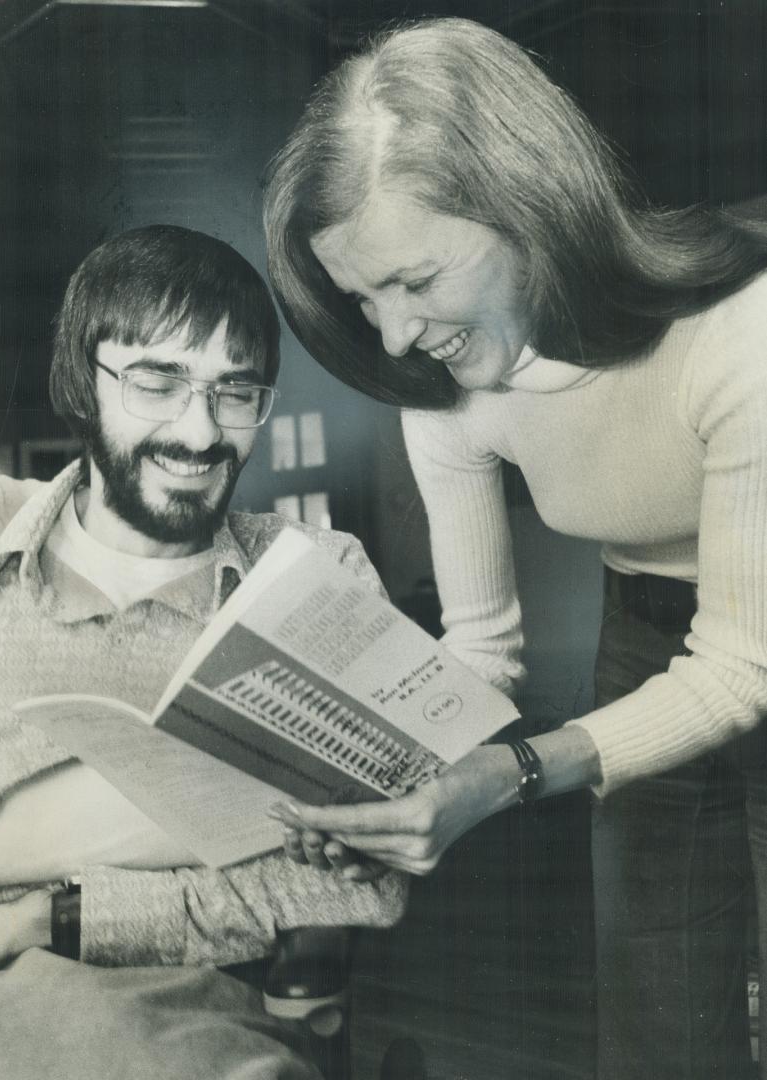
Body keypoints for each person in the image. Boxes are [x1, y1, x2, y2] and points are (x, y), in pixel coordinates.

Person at [262, 17, 767, 1080]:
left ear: (529, 208)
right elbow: (479, 652)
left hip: (745, 640)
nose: (393, 335)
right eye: (359, 296)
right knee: (656, 1028)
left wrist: (509, 772)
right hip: (642, 631)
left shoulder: (738, 333)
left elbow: (735, 668)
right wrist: (363, 773)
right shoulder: (437, 385)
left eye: (414, 280)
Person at [0, 224, 406, 1080]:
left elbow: (358, 881)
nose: (201, 434)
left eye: (236, 392)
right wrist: (177, 824)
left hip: (189, 1011)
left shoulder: (315, 577)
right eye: (158, 382)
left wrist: (36, 918)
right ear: (81, 383)